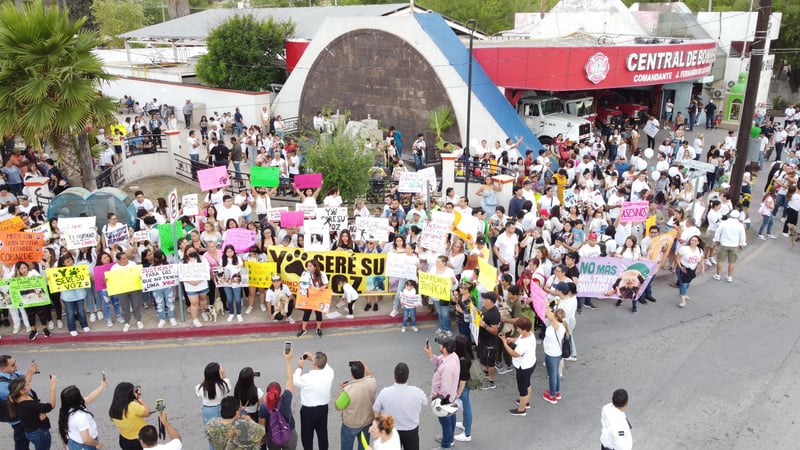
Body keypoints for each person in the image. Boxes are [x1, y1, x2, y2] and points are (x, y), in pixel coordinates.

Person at [373, 363, 427, 450]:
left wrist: (381, 426)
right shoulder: (417, 392)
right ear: (408, 376)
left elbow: (376, 410)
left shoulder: (384, 392)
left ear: (394, 376)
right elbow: (425, 403)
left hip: (390, 430)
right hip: (411, 431)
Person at [293, 351, 334, 450]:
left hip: (308, 411)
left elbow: (294, 380)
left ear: (313, 364)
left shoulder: (307, 378)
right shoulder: (329, 373)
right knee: (322, 435)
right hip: (323, 409)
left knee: (307, 437)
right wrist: (314, 358)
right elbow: (326, 366)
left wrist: (299, 367)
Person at [424, 337, 459, 450]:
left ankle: (446, 445)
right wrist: (430, 354)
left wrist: (437, 400)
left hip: (444, 400)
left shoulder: (448, 367)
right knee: (451, 417)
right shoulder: (450, 356)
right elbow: (438, 361)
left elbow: (445, 389)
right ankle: (449, 439)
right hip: (450, 397)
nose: (439, 345)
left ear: (445, 349)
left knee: (445, 421)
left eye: (441, 345)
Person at [260, 348, 299, 450]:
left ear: (268, 393)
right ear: (280, 393)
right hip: (289, 436)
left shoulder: (264, 407)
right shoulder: (286, 399)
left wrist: (263, 438)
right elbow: (290, 378)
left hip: (272, 437)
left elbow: (261, 426)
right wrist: (288, 360)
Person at [7, 373, 57, 450]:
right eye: (27, 385)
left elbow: (36, 408)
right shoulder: (28, 405)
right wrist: (52, 386)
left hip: (29, 431)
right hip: (39, 432)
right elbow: (51, 406)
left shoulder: (18, 399)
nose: (29, 384)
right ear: (22, 391)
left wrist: (40, 411)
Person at [57, 376, 109, 450]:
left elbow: (89, 398)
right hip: (85, 446)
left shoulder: (66, 409)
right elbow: (86, 439)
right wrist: (97, 444)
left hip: (74, 442)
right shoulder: (81, 417)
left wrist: (102, 386)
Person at [335, 361, 378, 450]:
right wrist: (364, 364)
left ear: (351, 374)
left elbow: (338, 407)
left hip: (351, 425)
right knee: (364, 446)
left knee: (346, 447)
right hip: (367, 423)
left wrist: (340, 391)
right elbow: (370, 376)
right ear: (363, 372)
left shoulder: (347, 391)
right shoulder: (372, 382)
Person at [500, 317, 537, 416]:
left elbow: (514, 354)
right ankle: (526, 402)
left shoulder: (524, 344)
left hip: (523, 367)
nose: (517, 330)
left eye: (519, 329)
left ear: (524, 329)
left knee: (522, 389)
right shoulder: (529, 334)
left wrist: (505, 343)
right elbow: (519, 339)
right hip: (530, 363)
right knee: (527, 384)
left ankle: (521, 409)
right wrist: (511, 339)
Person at [2, 357, 39, 450]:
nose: (16, 366)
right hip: (17, 417)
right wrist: (29, 376)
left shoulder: (11, 374)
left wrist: (30, 371)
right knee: (21, 440)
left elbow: (22, 375)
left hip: (24, 412)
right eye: (13, 365)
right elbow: (19, 391)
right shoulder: (1, 383)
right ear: (3, 368)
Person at [195, 362, 232, 446]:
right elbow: (228, 385)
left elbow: (198, 389)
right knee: (224, 434)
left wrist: (206, 378)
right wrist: (224, 375)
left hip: (207, 411)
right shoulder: (223, 385)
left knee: (211, 435)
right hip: (221, 409)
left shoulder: (201, 388)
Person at [109, 382, 151, 450]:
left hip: (124, 440)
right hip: (138, 441)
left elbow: (112, 419)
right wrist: (139, 399)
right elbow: (148, 412)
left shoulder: (113, 408)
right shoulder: (132, 406)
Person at [296, 260, 329, 337]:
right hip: (309, 296)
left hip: (318, 295)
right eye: (307, 266)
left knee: (318, 312)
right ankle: (303, 329)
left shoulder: (322, 274)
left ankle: (318, 328)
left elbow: (326, 284)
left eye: (310, 266)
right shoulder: (305, 274)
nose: (308, 267)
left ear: (315, 266)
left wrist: (322, 287)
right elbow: (301, 283)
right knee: (307, 312)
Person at [542, 308, 568, 405]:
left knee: (552, 375)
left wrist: (546, 305)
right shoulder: (559, 326)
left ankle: (552, 396)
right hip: (557, 353)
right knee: (556, 373)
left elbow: (549, 317)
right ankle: (557, 392)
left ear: (556, 317)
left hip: (552, 354)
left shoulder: (558, 327)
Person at [713, 210, 747, 283]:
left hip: (724, 244)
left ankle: (718, 275)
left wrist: (717, 240)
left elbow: (718, 232)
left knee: (720, 260)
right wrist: (742, 244)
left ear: (730, 215)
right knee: (732, 262)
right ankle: (729, 276)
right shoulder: (740, 225)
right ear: (738, 217)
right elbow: (742, 236)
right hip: (734, 245)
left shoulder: (724, 223)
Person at [452, 335, 474, 442]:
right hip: (466, 387)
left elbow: (463, 379)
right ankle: (465, 424)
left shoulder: (462, 360)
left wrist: (459, 392)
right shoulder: (468, 354)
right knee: (465, 408)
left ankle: (467, 434)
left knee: (466, 409)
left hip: (463, 388)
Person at [477, 292, 501, 390]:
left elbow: (495, 331)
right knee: (484, 358)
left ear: (490, 301)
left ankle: (491, 381)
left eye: (484, 299)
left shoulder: (494, 314)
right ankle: (486, 373)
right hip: (484, 339)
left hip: (490, 342)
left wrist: (484, 325)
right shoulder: (488, 309)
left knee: (490, 361)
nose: (482, 301)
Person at [676, 235, 705, 308]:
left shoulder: (700, 250)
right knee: (684, 284)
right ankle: (683, 300)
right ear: (690, 241)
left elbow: (701, 260)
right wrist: (680, 266)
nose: (693, 242)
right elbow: (677, 258)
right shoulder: (684, 249)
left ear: (698, 243)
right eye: (692, 240)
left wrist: (703, 268)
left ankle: (683, 293)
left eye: (695, 241)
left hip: (692, 270)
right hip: (683, 268)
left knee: (687, 283)